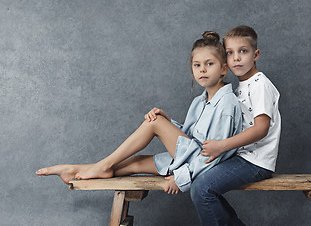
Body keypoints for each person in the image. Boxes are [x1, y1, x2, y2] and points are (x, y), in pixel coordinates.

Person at [36, 31, 242, 194]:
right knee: (134, 162)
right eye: (197, 65)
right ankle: (75, 169)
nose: (202, 70)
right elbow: (190, 135)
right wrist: (169, 122)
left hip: (197, 165)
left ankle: (102, 165)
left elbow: (216, 155)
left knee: (154, 123)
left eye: (209, 64)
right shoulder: (200, 101)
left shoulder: (227, 103)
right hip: (189, 157)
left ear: (224, 69)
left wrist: (181, 179)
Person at [190, 25, 281, 226]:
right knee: (200, 183)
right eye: (230, 53)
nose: (236, 58)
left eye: (243, 51)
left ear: (255, 54)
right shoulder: (241, 87)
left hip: (256, 161)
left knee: (202, 189)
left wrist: (221, 146)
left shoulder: (260, 84)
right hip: (239, 157)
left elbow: (261, 129)